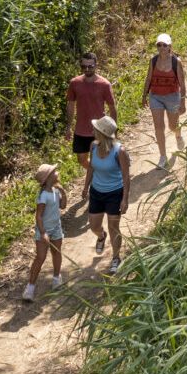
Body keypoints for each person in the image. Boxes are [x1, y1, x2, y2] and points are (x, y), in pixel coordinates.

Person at [65, 51, 116, 205]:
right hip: (80, 129)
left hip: (99, 131)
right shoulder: (75, 83)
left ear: (96, 65)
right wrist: (68, 126)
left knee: (96, 160)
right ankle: (97, 173)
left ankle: (93, 186)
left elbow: (112, 108)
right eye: (84, 66)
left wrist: (113, 129)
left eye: (90, 66)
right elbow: (70, 105)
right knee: (82, 160)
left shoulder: (104, 84)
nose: (86, 69)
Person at [85, 116, 132, 274]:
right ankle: (101, 236)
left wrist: (125, 199)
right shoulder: (93, 146)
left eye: (96, 129)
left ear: (102, 133)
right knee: (94, 226)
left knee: (114, 227)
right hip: (96, 192)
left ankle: (116, 257)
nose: (93, 131)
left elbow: (126, 176)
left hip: (114, 193)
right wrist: (85, 187)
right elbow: (91, 167)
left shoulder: (120, 151)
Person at [144, 33, 187, 169]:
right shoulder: (153, 60)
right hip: (155, 96)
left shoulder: (176, 62)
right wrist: (144, 95)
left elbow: (182, 84)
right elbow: (148, 78)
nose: (161, 48)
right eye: (159, 45)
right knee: (159, 127)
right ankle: (163, 157)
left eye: (164, 45)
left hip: (172, 96)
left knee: (172, 126)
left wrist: (183, 102)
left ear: (170, 47)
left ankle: (178, 135)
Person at [22, 164, 65, 302]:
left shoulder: (55, 190)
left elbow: (62, 206)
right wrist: (43, 232)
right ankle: (30, 288)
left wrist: (63, 192)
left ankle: (56, 278)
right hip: (44, 230)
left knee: (56, 252)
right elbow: (38, 216)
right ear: (48, 178)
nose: (57, 172)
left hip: (56, 228)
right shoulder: (43, 196)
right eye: (54, 172)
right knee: (40, 257)